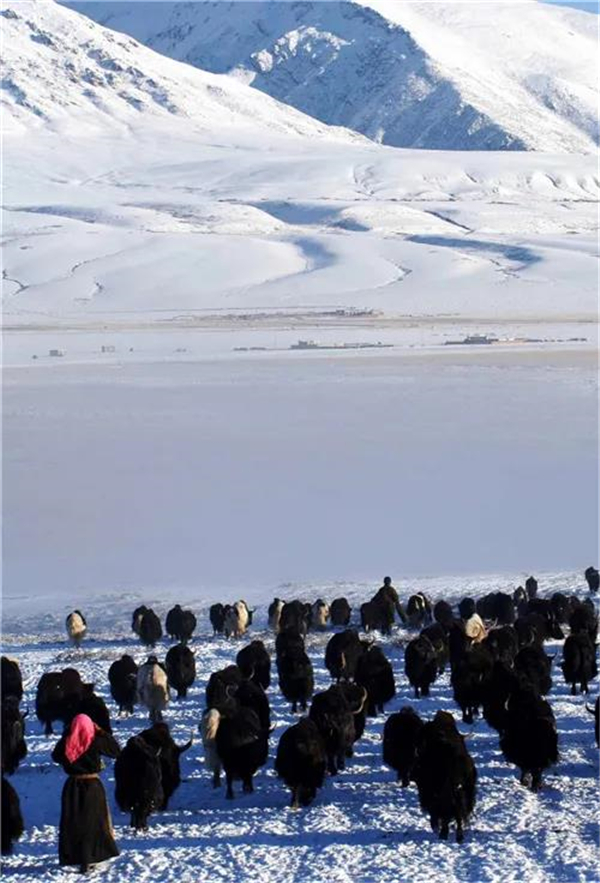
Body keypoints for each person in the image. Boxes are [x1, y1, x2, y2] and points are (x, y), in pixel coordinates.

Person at [52, 714, 120, 874]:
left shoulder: (67, 742)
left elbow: (56, 756)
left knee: (74, 822)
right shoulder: (96, 741)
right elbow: (116, 751)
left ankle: (76, 856)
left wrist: (67, 735)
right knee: (93, 822)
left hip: (72, 787)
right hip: (93, 786)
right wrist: (102, 732)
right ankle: (91, 856)